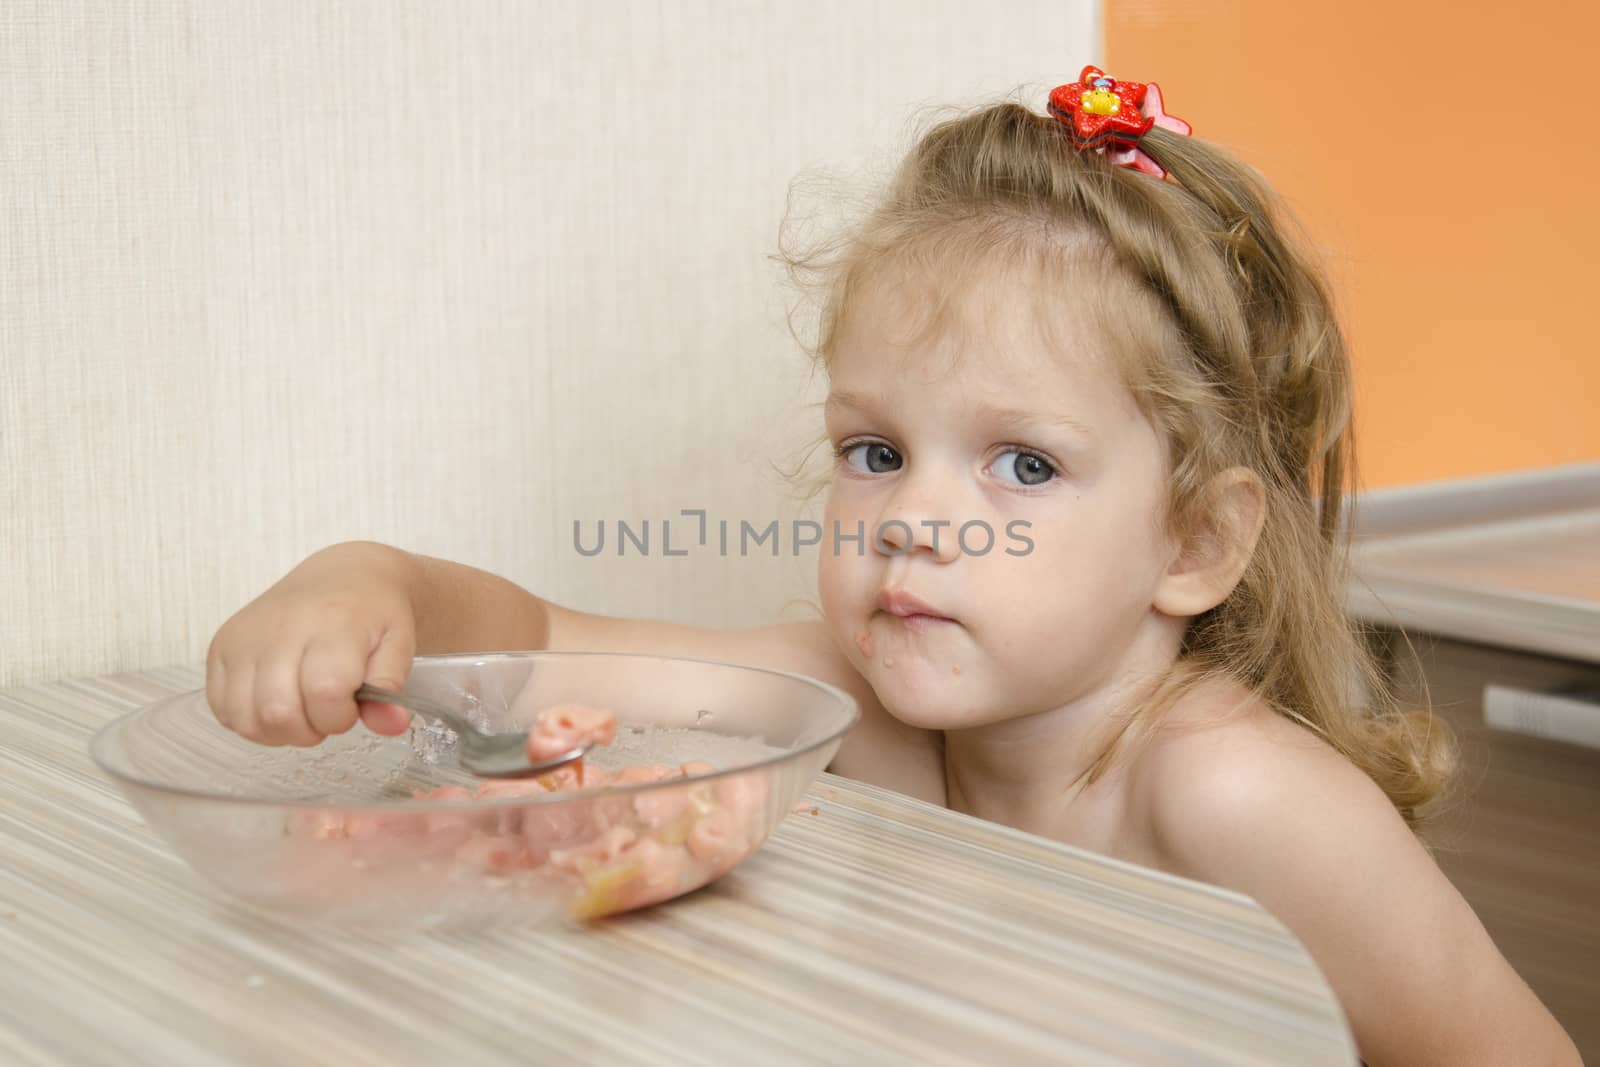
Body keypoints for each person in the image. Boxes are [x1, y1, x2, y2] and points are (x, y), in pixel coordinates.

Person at [205, 67, 1581, 1065]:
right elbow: (530, 652)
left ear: (1194, 543)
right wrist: (368, 580)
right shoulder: (838, 701)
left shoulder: (1231, 793)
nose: (912, 521)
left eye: (1023, 465)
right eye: (874, 453)